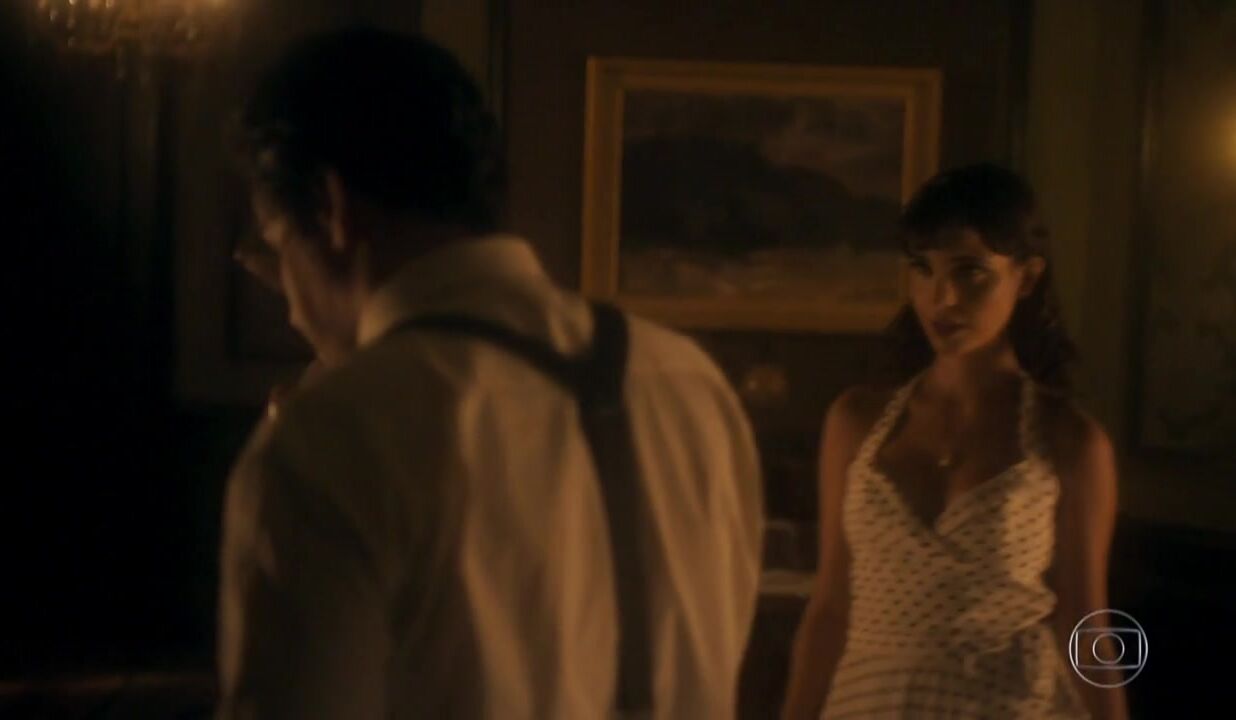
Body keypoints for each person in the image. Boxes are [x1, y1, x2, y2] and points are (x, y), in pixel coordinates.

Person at [216, 27, 764, 720]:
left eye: (277, 244)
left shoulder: (333, 435)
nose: (292, 307)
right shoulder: (689, 383)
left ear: (331, 209)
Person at [780, 164, 1129, 719]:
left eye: (970, 272)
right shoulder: (857, 421)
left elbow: (1085, 622)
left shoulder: (1069, 440)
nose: (942, 297)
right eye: (924, 269)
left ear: (1026, 278)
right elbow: (830, 607)